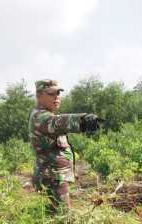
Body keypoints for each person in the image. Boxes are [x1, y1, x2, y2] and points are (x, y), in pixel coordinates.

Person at [29, 79, 101, 210]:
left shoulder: (44, 115)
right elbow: (58, 122)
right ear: (39, 96)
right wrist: (82, 121)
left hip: (53, 177)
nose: (56, 97)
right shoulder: (40, 117)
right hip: (52, 178)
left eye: (58, 93)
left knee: (54, 216)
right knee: (63, 218)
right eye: (51, 94)